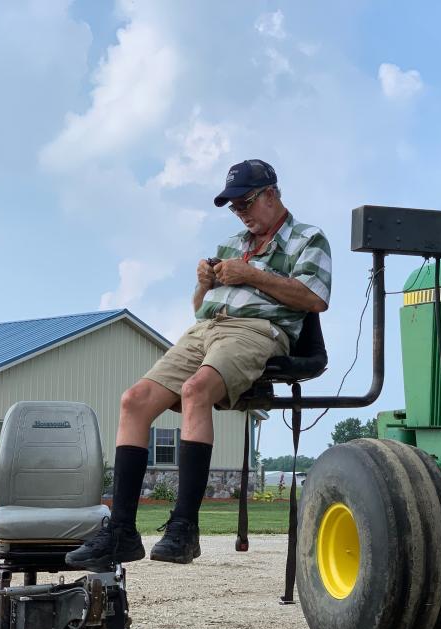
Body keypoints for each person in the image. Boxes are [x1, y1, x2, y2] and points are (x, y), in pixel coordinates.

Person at [66, 159, 332, 570]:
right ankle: (121, 531)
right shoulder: (231, 244)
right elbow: (199, 310)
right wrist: (204, 286)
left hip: (257, 330)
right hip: (207, 328)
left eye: (245, 203)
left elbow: (314, 298)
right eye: (234, 207)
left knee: (195, 390)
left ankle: (185, 527)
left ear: (272, 195)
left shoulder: (308, 238)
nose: (240, 213)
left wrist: (250, 275)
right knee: (134, 400)